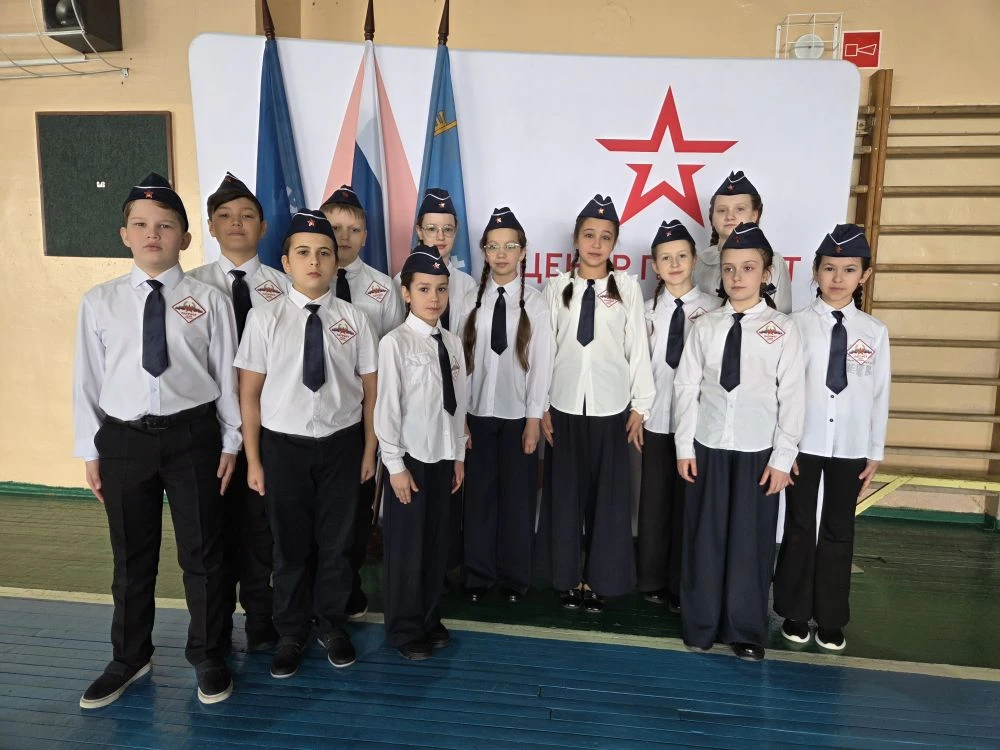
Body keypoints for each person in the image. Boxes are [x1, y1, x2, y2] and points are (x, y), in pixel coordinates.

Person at [73, 172, 240, 707]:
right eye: (141, 225)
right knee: (131, 557)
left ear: (185, 238)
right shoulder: (99, 302)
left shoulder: (209, 301)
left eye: (165, 225)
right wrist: (90, 450)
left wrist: (231, 442)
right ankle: (129, 657)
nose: (153, 234)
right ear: (124, 234)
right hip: (124, 442)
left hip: (194, 438)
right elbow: (87, 381)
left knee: (204, 554)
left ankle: (208, 653)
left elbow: (226, 376)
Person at [235, 210, 378, 679]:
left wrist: (368, 450)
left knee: (338, 544)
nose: (314, 262)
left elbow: (371, 391)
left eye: (324, 253)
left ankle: (331, 625)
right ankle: (291, 631)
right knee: (289, 547)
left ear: (337, 262)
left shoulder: (355, 319)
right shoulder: (264, 318)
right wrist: (253, 459)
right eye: (303, 253)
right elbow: (249, 394)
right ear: (286, 262)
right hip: (283, 448)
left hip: (341, 445)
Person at [674, 221, 805, 661]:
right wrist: (684, 447)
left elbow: (792, 397)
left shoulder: (783, 329)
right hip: (708, 445)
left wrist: (783, 458)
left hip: (757, 450)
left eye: (748, 268)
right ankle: (701, 623)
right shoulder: (706, 325)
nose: (737, 277)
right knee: (704, 538)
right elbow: (686, 387)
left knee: (751, 542)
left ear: (766, 273)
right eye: (729, 268)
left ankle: (745, 628)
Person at [773, 225, 890, 652]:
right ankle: (793, 611)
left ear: (865, 275)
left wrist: (874, 452)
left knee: (840, 528)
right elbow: (782, 390)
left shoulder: (874, 331)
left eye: (849, 269)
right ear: (815, 271)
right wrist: (784, 446)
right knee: (800, 525)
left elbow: (879, 393)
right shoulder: (795, 325)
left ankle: (831, 617)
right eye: (829, 268)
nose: (838, 278)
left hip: (852, 445)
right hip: (804, 443)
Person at [539, 195, 655, 613]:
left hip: (611, 407)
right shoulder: (556, 288)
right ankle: (567, 578)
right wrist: (541, 405)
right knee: (565, 497)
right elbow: (544, 350)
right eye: (589, 235)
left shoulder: (627, 289)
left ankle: (602, 579)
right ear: (575, 239)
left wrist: (640, 405)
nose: (596, 244)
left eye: (606, 237)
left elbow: (637, 348)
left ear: (614, 243)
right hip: (565, 406)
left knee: (608, 501)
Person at [187, 172, 286, 652]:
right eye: (224, 215)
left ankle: (262, 617)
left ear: (263, 227)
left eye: (247, 216)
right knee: (213, 529)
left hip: (269, 425)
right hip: (208, 427)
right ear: (210, 226)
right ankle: (217, 623)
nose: (236, 223)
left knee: (261, 527)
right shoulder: (190, 287)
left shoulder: (286, 287)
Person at [375, 244, 467, 660]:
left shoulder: (452, 342)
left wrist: (459, 455)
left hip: (443, 455)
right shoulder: (395, 343)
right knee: (406, 549)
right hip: (410, 458)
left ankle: (429, 617)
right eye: (424, 289)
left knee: (435, 543)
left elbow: (459, 404)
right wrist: (394, 465)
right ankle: (404, 626)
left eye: (441, 289)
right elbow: (387, 408)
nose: (434, 298)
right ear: (406, 292)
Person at [320, 184, 406, 619]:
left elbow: (394, 356)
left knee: (355, 509)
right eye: (335, 228)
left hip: (362, 416)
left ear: (366, 236)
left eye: (354, 229)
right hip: (312, 415)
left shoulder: (381, 288)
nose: (344, 237)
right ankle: (311, 588)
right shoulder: (302, 282)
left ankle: (348, 587)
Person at [460, 207, 554, 603]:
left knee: (517, 499)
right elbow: (459, 361)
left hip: (518, 416)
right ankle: (478, 576)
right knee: (479, 498)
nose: (501, 254)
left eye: (509, 247)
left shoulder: (536, 303)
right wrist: (461, 418)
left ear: (523, 251)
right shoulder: (469, 299)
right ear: (484, 251)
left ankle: (515, 577)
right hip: (477, 414)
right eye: (493, 247)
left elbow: (542, 364)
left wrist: (533, 418)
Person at [637, 219, 721, 614]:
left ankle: (680, 581)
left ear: (694, 259)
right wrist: (638, 411)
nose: (674, 264)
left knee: (689, 504)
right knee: (654, 502)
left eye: (681, 256)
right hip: (655, 420)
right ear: (655, 266)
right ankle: (651, 578)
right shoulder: (645, 311)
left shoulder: (714, 310)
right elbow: (635, 367)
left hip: (698, 423)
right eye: (666, 258)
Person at [693, 171, 794, 313]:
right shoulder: (700, 261)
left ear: (754, 215)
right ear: (712, 217)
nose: (730, 216)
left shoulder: (774, 261)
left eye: (740, 209)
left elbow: (781, 316)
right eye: (721, 210)